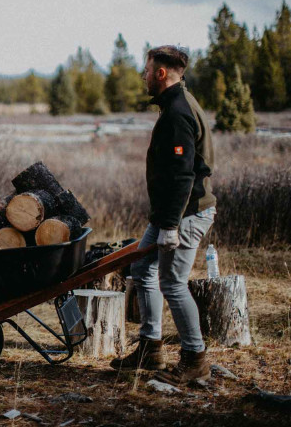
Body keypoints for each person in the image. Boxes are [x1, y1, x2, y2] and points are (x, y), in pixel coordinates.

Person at [110, 45, 216, 384]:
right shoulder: (174, 104)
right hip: (169, 214)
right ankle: (151, 348)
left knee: (172, 282)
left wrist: (170, 226)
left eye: (146, 70)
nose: (143, 76)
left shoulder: (178, 113)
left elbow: (184, 175)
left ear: (161, 73)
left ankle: (194, 359)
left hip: (185, 215)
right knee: (143, 268)